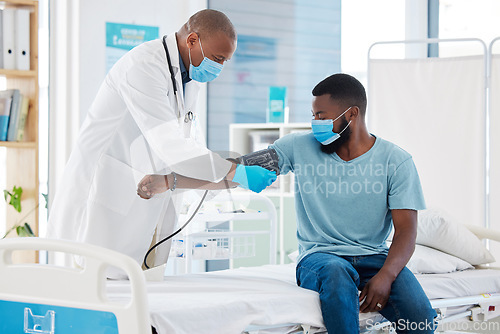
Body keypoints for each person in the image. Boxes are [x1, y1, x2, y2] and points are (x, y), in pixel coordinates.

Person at [139, 73, 437, 333]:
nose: (315, 123)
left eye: (322, 116)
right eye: (313, 115)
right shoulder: (299, 146)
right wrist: (170, 181)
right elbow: (234, 170)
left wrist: (386, 276)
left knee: (421, 316)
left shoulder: (396, 162)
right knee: (336, 276)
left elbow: (406, 232)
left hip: (375, 259)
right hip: (320, 258)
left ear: (352, 114)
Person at [47, 9, 276, 274]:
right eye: (217, 59)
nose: (220, 68)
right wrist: (234, 172)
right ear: (192, 40)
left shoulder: (189, 76)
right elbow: (172, 148)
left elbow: (188, 141)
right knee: (101, 286)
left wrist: (222, 176)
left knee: (142, 291)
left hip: (150, 198)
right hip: (107, 196)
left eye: (225, 61)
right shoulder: (143, 67)